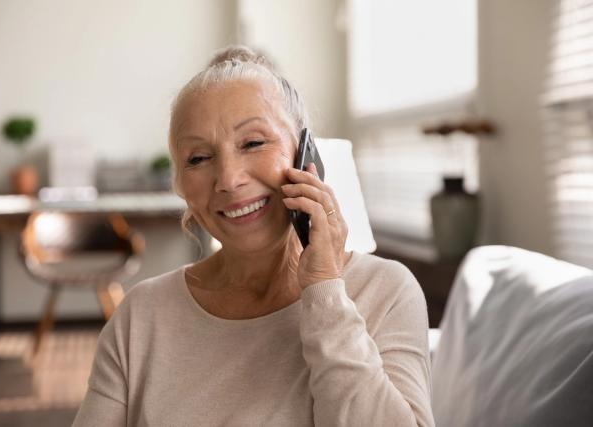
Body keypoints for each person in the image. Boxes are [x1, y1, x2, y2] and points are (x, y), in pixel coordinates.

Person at [73, 45, 434, 427]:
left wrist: (324, 290)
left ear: (306, 158)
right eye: (198, 158)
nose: (228, 179)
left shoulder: (386, 292)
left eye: (253, 143)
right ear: (181, 186)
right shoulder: (140, 316)